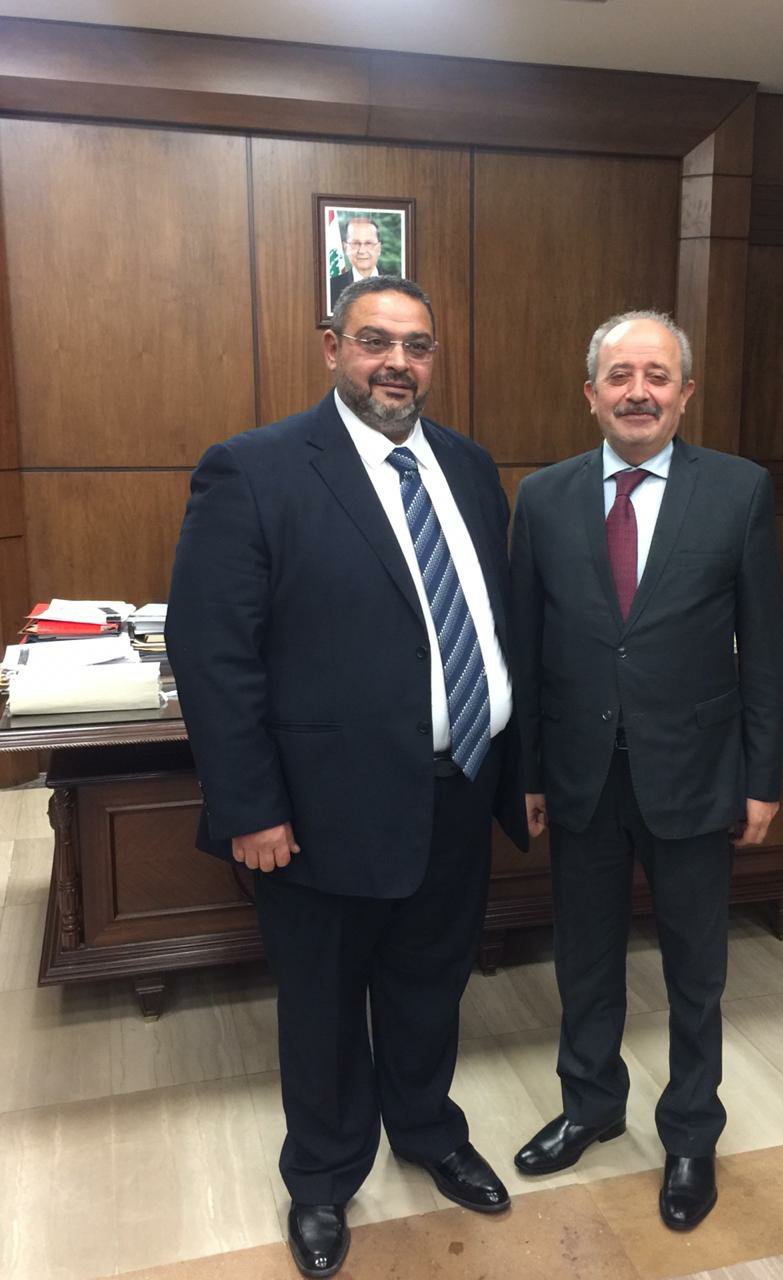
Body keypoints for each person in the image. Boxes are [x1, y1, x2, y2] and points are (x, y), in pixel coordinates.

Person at [166, 276, 526, 1279]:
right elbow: (213, 652)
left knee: (432, 981)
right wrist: (250, 805)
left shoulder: (468, 465)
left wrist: (517, 766)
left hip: (459, 784)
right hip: (319, 809)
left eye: (417, 346)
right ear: (332, 347)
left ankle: (427, 1127)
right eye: (375, 341)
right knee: (323, 1004)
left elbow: (491, 623)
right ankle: (323, 1176)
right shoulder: (255, 468)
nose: (397, 364)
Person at [509, 310, 783, 1232]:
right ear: (590, 393)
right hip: (581, 773)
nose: (639, 392)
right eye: (620, 376)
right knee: (585, 958)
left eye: (657, 376)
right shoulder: (543, 497)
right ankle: (590, 1105)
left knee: (695, 970)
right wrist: (529, 770)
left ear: (686, 393)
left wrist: (762, 776)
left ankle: (691, 1133)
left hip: (697, 772)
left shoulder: (739, 491)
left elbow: (762, 650)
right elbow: (527, 647)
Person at [329, 216, 383, 311]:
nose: (362, 251)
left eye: (368, 243)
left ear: (379, 248)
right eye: (355, 243)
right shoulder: (331, 288)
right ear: (346, 248)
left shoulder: (397, 286)